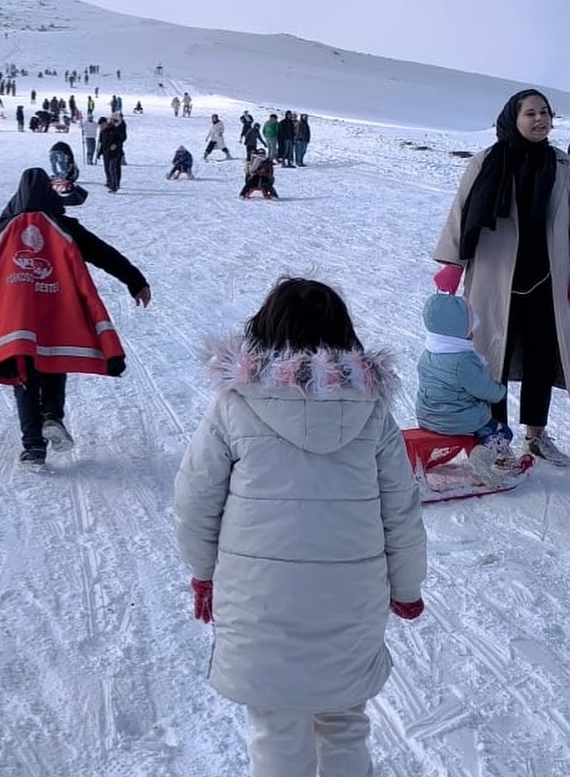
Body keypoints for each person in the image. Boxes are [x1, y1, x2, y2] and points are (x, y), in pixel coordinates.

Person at [173, 277, 427, 777]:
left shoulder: (235, 404)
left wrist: (203, 573)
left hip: (259, 600)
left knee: (276, 727)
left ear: (264, 333)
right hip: (349, 598)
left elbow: (195, 498)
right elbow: (401, 509)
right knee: (344, 717)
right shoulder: (372, 411)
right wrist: (407, 587)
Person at [432, 88, 570, 465]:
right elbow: (461, 212)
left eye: (545, 113)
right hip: (495, 280)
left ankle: (536, 436)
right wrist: (452, 262)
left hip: (547, 280)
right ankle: (496, 440)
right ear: (514, 118)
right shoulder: (487, 162)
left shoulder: (564, 167)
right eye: (531, 113)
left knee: (543, 357)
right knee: (492, 359)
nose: (540, 119)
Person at [0, 168, 151, 464]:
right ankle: (52, 414)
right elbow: (103, 253)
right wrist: (135, 280)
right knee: (53, 360)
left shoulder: (3, 230)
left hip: (13, 322)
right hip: (55, 315)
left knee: (23, 376)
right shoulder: (63, 226)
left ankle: (33, 447)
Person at [415, 292, 516, 478]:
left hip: (427, 416)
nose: (473, 331)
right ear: (459, 329)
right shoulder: (463, 361)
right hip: (458, 420)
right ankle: (482, 458)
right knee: (501, 432)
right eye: (469, 326)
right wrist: (499, 392)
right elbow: (482, 388)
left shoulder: (428, 354)